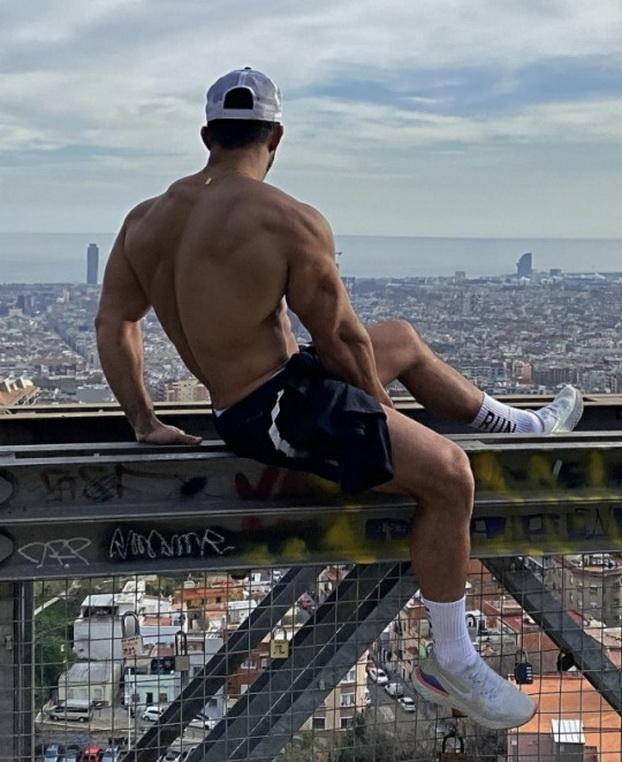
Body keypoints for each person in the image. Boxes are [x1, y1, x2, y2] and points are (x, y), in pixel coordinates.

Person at [95, 67, 583, 729]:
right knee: (449, 476)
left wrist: (143, 421)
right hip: (276, 412)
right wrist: (380, 414)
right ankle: (450, 660)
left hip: (249, 396)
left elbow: (114, 323)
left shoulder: (145, 220)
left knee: (400, 339)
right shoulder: (285, 218)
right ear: (276, 137)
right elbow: (342, 338)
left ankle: (522, 428)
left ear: (207, 135)